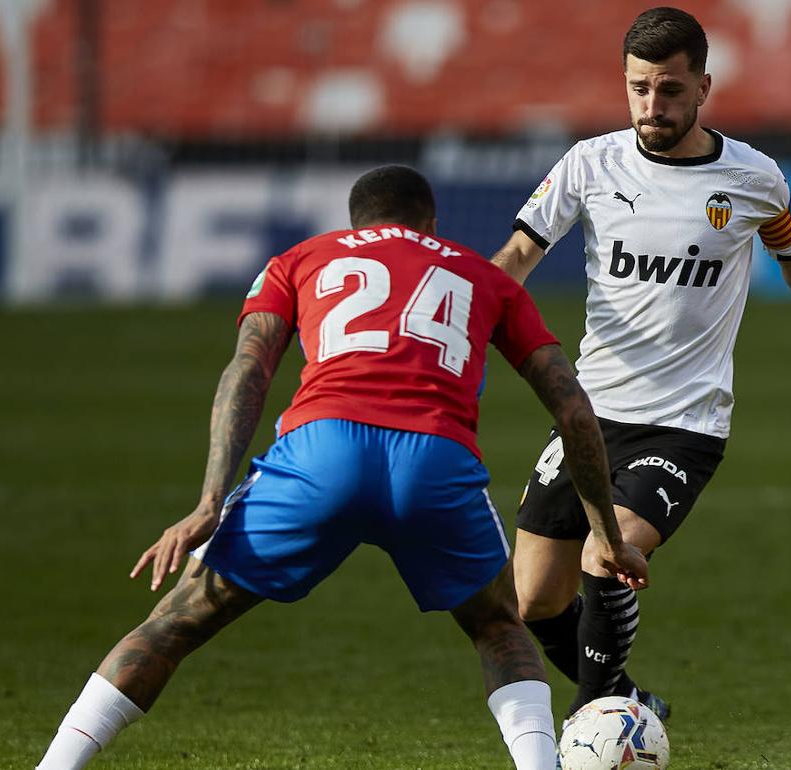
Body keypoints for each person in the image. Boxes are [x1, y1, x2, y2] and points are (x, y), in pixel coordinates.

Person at [36, 166, 650, 770]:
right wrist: (605, 532)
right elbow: (572, 409)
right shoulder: (483, 277)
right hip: (433, 462)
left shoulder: (301, 260)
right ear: (431, 224)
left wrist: (208, 501)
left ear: (355, 221)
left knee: (178, 620)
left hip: (318, 454)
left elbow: (247, 370)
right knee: (498, 625)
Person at [491, 7, 791, 722]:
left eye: (668, 90)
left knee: (610, 554)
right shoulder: (589, 164)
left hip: (683, 426)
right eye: (637, 89)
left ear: (703, 87)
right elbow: (516, 258)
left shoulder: (752, 178)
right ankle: (632, 704)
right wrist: (455, 319)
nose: (650, 106)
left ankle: (596, 722)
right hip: (587, 416)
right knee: (534, 599)